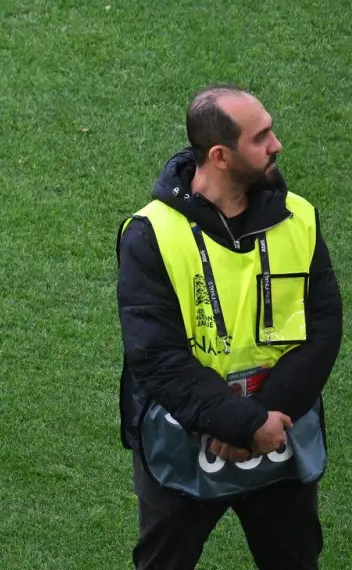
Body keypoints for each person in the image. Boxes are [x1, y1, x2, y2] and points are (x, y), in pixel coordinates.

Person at [117, 86, 342, 569]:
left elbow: (323, 326)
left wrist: (265, 417)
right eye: (261, 137)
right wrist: (240, 423)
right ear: (220, 155)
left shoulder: (298, 217)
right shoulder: (150, 234)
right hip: (187, 434)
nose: (277, 144)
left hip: (279, 425)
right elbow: (157, 357)